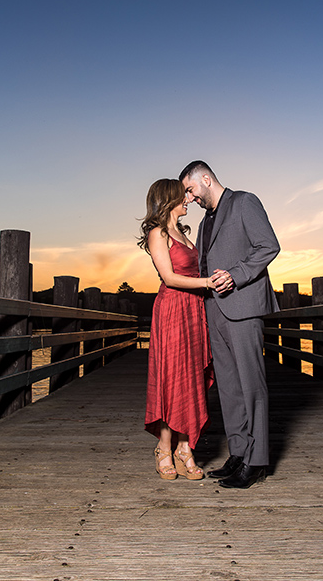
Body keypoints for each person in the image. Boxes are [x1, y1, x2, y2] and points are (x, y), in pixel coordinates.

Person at [179, 160, 280, 489]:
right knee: (229, 387)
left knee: (252, 386)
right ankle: (238, 453)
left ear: (206, 179)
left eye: (191, 190)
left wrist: (235, 276)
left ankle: (258, 460)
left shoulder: (244, 202)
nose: (190, 198)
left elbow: (269, 245)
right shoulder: (206, 220)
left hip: (244, 306)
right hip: (214, 310)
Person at [138, 178, 215, 481]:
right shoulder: (157, 233)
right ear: (168, 198)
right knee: (172, 378)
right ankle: (164, 447)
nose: (188, 199)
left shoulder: (182, 233)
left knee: (191, 376)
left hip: (193, 310)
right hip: (172, 309)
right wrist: (207, 283)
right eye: (183, 195)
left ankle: (185, 447)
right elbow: (169, 277)